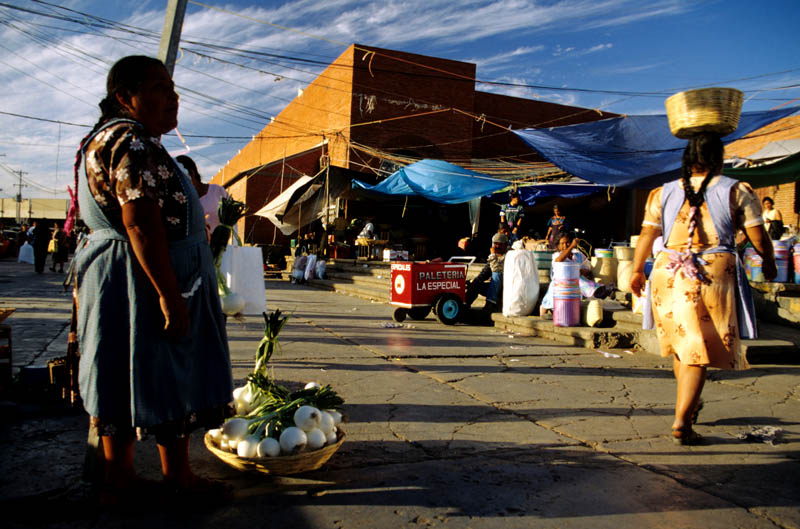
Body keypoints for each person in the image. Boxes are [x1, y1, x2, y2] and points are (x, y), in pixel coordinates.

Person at [68, 55, 233, 501]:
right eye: (159, 87)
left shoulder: (107, 138)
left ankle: (119, 478)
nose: (172, 97)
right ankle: (178, 479)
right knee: (169, 368)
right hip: (143, 278)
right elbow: (140, 220)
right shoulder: (131, 139)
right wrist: (169, 296)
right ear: (125, 96)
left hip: (121, 274)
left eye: (173, 87)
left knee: (119, 371)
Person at [631, 132, 776, 446]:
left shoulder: (662, 192)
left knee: (684, 344)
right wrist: (769, 261)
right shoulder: (737, 190)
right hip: (711, 273)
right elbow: (757, 234)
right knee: (698, 349)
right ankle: (682, 422)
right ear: (719, 159)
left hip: (667, 271)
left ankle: (691, 403)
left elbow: (646, 235)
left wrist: (635, 269)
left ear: (686, 160)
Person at [539, 232, 614, 317]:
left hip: (576, 286)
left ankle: (600, 291)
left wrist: (582, 271)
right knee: (576, 280)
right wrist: (571, 247)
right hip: (561, 285)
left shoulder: (578, 255)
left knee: (577, 279)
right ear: (558, 246)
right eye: (562, 243)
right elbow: (558, 262)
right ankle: (600, 291)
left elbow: (588, 268)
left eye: (567, 242)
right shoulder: (557, 255)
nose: (565, 245)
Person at [175, 154, 229, 235]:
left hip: (222, 244)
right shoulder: (181, 199)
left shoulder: (217, 191)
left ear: (191, 174)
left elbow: (231, 216)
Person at [465, 232, 508, 312]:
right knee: (476, 283)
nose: (497, 246)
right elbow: (486, 272)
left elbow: (497, 269)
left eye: (500, 244)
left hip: (506, 288)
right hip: (495, 287)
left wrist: (492, 255)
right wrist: (475, 282)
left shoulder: (509, 255)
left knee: (497, 274)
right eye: (495, 244)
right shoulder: (495, 255)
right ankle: (464, 304)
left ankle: (490, 304)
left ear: (505, 245)